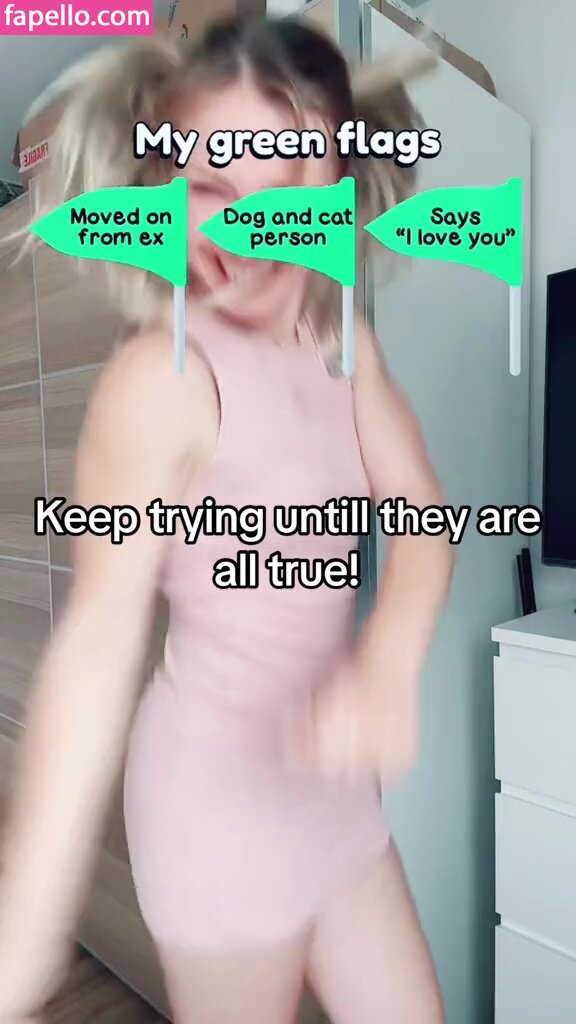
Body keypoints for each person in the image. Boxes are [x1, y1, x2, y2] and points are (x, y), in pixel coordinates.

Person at [0, 16, 453, 1024]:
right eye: (214, 185)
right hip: (216, 817)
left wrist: (387, 659)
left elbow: (425, 523)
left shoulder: (342, 341)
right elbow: (95, 646)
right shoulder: (161, 379)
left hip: (337, 804)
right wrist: (25, 932)